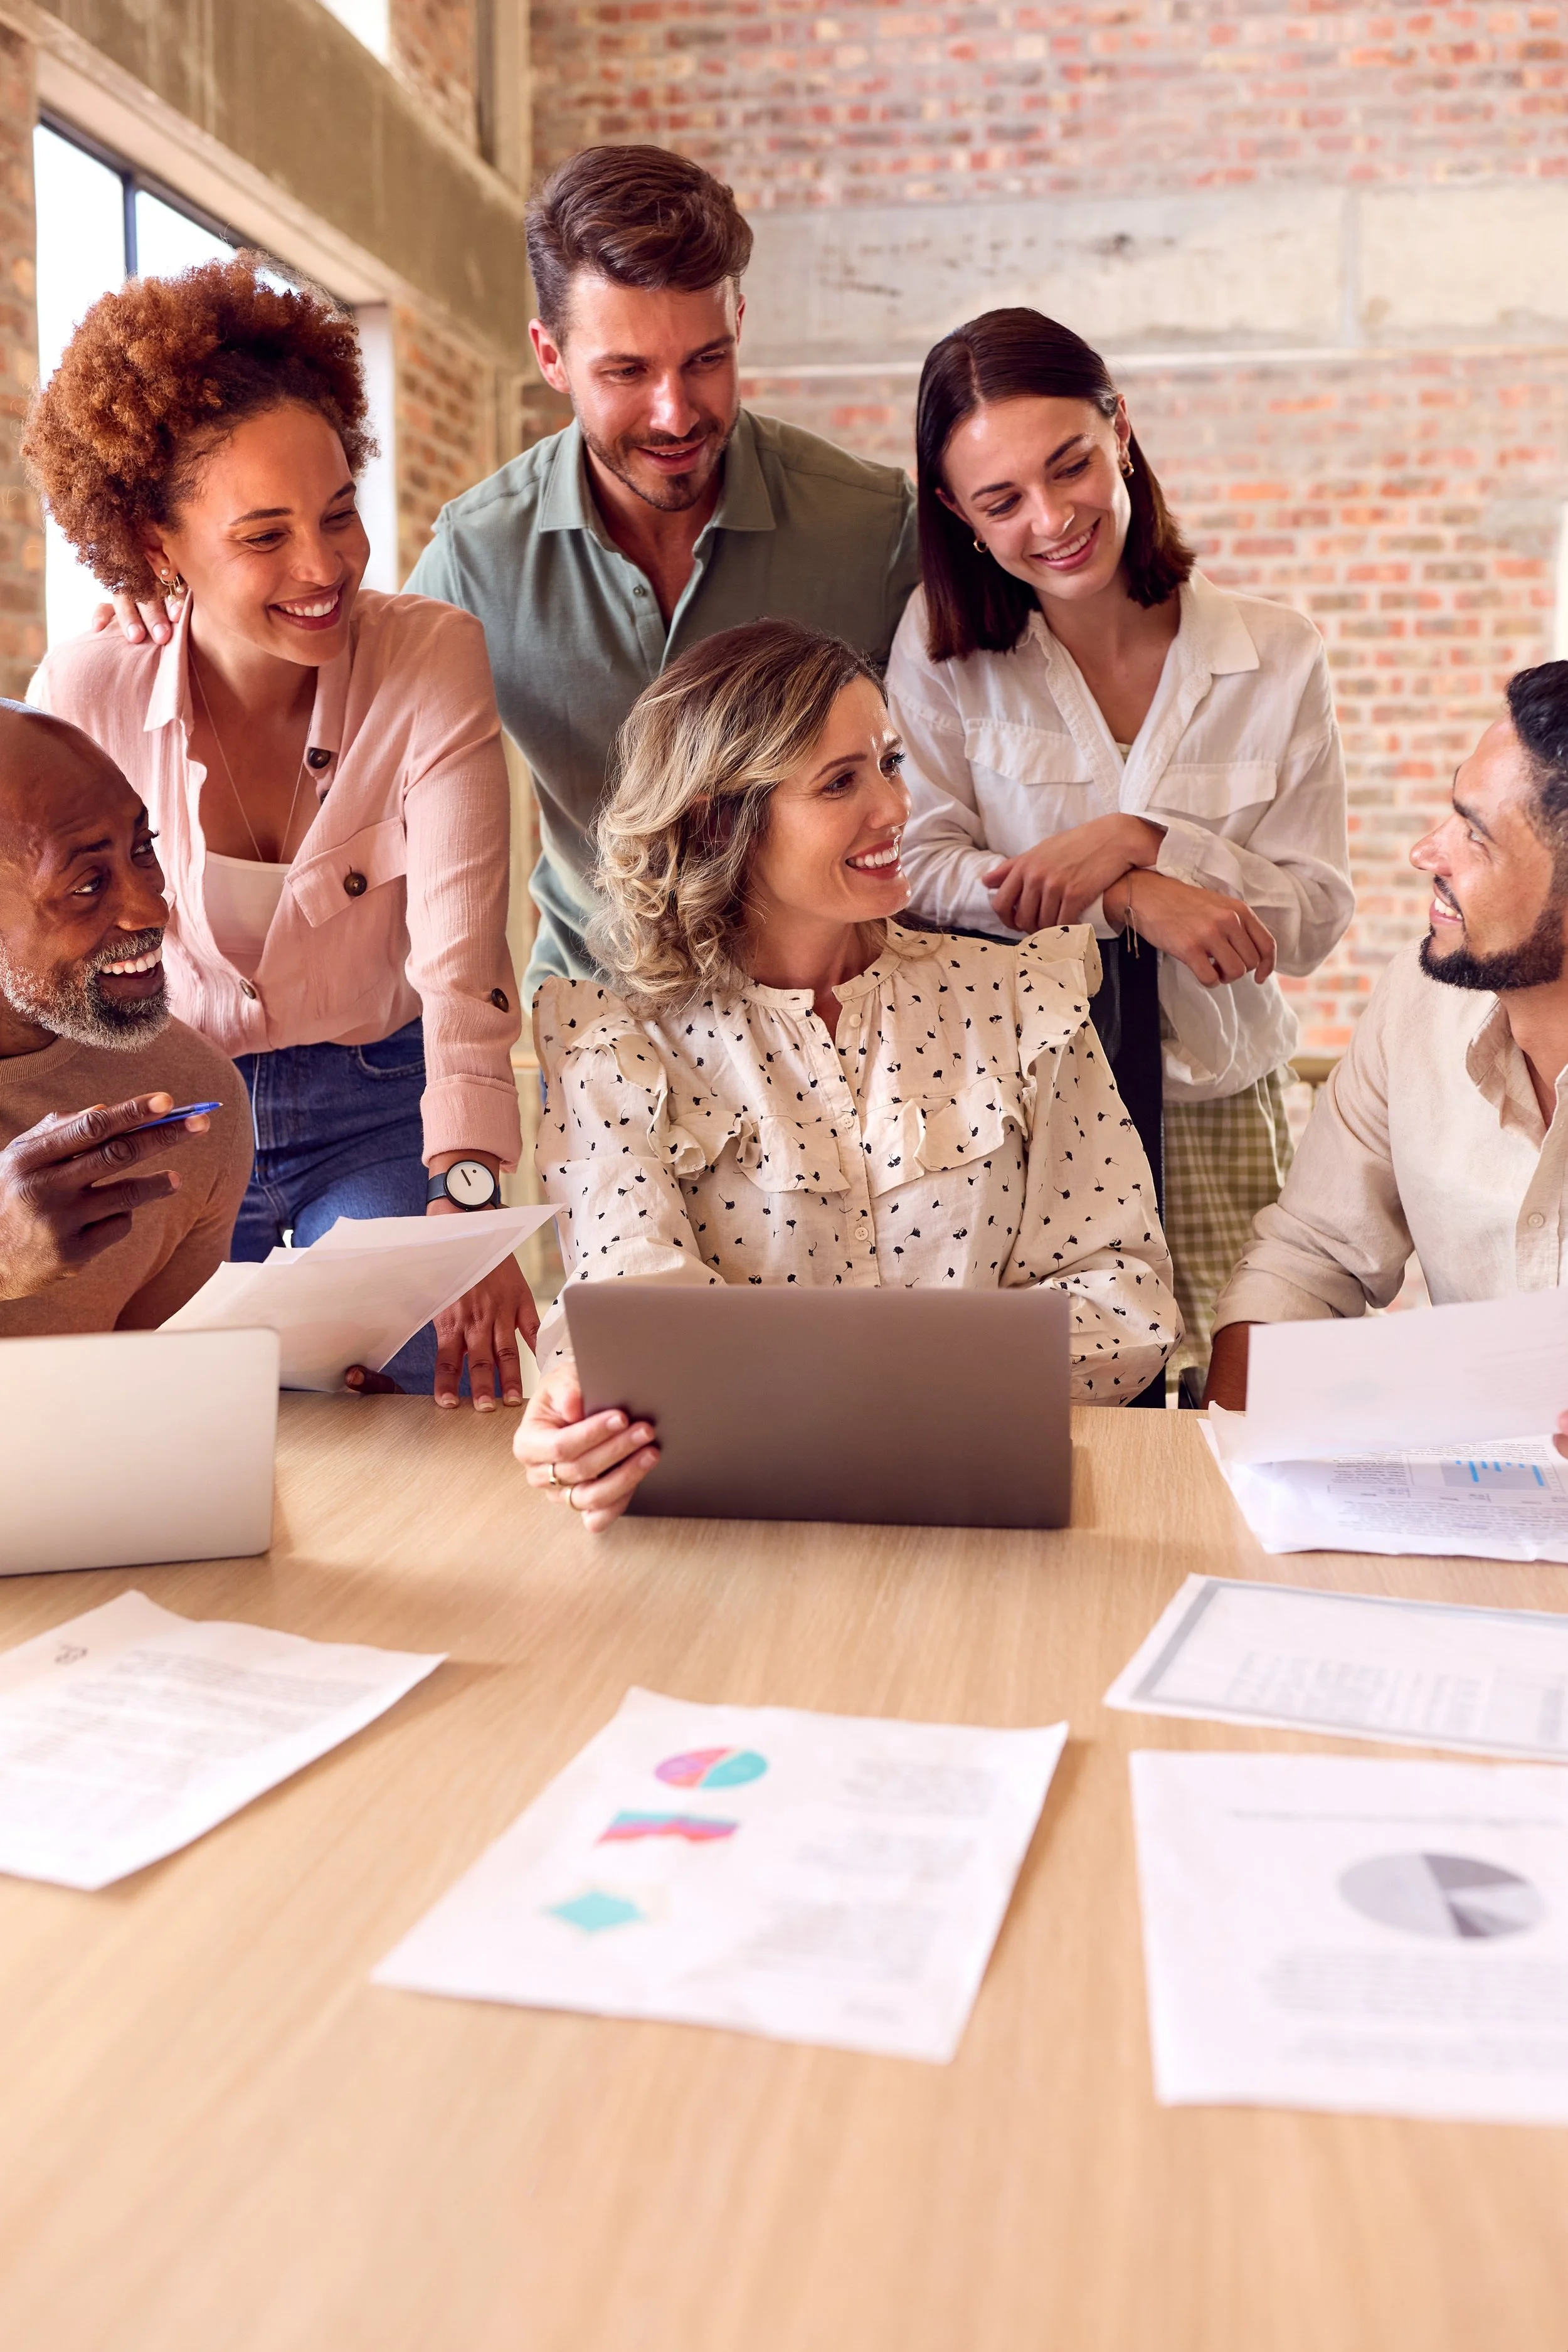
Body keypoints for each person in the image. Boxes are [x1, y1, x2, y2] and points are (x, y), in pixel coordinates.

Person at [513, 619, 1181, 1529]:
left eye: (892, 762)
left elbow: (1125, 1300)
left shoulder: (1024, 997)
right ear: (719, 817)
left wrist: (840, 1392)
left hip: (991, 1514)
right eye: (841, 782)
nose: (896, 808)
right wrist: (583, 1405)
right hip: (740, 1538)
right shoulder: (618, 1049)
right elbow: (634, 1312)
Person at [23, 254, 537, 1407]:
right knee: (178, 1431)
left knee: (435, 1388)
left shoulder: (430, 657)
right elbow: (43, 957)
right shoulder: (90, 687)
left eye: (340, 516)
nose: (323, 568)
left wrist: (470, 1207)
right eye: (264, 538)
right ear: (159, 550)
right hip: (171, 1122)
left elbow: (460, 962)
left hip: (379, 1106)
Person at [884, 309, 1354, 1377]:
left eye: (1072, 466)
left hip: (1219, 1106)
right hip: (1015, 1112)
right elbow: (914, 867)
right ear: (957, 512)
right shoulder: (943, 651)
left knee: (1242, 1410)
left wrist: (1144, 839)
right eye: (1002, 500)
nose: (1052, 519)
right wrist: (1130, 895)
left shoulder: (1275, 656)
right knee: (1055, 1418)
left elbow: (1316, 916)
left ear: (1122, 432)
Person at [406, 142, 918, 1000]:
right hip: (601, 1030)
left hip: (840, 1027)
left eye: (706, 361)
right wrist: (163, 604)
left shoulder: (873, 526)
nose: (675, 412)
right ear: (550, 355)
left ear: (739, 322)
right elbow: (340, 734)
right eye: (627, 372)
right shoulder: (476, 555)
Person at [1205, 662, 1568, 1409]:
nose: (1426, 853)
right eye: (1452, 812)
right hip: (1473, 1503)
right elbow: (1310, 1258)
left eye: (1476, 837)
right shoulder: (1418, 998)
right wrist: (1237, 1462)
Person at [0, 701, 252, 1332]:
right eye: (87, 883)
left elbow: (158, 1398)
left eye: (143, 850)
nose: (151, 909)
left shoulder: (193, 1098)